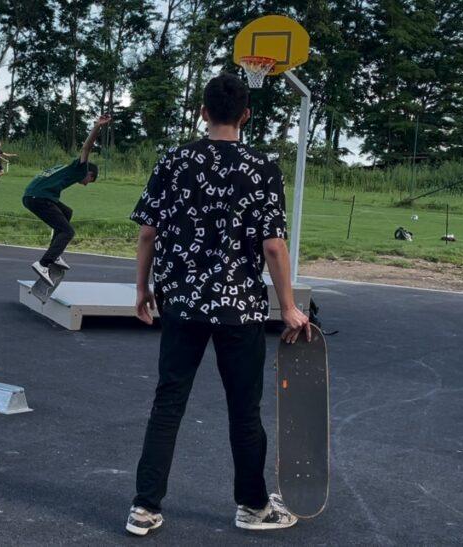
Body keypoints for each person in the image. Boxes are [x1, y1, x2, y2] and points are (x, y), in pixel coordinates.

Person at [125, 73, 311, 537]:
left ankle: (144, 508)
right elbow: (273, 247)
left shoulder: (174, 160)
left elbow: (148, 232)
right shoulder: (262, 166)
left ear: (203, 112)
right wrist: (287, 306)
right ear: (246, 115)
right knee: (243, 410)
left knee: (168, 403)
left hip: (183, 303)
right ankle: (252, 505)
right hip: (239, 309)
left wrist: (142, 289)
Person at [22, 115, 111, 283]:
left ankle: (54, 255)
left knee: (67, 212)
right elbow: (87, 147)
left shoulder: (65, 167)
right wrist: (97, 127)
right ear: (89, 173)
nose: (85, 185)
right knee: (68, 231)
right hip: (40, 198)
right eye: (89, 181)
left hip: (33, 195)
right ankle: (44, 264)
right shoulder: (80, 167)